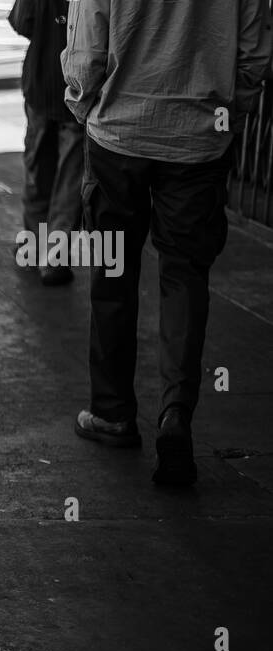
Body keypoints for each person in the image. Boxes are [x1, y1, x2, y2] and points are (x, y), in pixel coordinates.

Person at [63, 0, 272, 486]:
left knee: (113, 270)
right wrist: (226, 111)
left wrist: (85, 106)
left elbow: (87, 49)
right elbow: (255, 53)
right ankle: (175, 416)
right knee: (185, 274)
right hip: (199, 138)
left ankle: (112, 413)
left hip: (120, 132)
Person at [9, 0, 82, 286]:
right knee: (70, 180)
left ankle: (31, 247)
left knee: (38, 171)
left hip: (41, 83)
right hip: (76, 89)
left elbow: (21, 22)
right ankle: (54, 258)